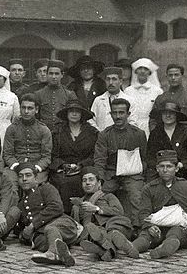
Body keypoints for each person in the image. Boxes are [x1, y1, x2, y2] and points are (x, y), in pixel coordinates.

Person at [132, 150, 187, 259]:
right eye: (162, 166)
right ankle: (132, 248)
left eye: (169, 166)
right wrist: (149, 226)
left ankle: (164, 249)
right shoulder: (149, 188)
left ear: (176, 168)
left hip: (180, 227)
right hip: (158, 227)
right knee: (146, 236)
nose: (165, 170)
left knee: (175, 234)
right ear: (157, 168)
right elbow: (144, 212)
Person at [93, 98, 147, 229]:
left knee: (137, 194)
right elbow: (100, 159)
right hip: (110, 174)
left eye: (121, 113)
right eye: (115, 113)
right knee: (100, 194)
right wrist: (99, 179)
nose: (118, 116)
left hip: (132, 174)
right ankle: (103, 226)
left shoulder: (138, 134)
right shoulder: (104, 135)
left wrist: (141, 174)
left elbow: (144, 158)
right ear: (110, 114)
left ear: (128, 114)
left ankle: (137, 227)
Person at [15, 163, 79, 267]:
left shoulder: (46, 189)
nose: (24, 179)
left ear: (36, 178)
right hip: (42, 233)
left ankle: (52, 253)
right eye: (20, 176)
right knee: (41, 242)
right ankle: (63, 255)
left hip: (62, 224)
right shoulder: (21, 203)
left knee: (50, 229)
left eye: (28, 175)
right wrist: (24, 235)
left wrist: (33, 225)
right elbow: (20, 226)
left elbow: (56, 207)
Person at [71, 168, 135, 261]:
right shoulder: (78, 204)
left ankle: (107, 248)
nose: (87, 183)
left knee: (111, 232)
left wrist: (97, 209)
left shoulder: (108, 196)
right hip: (90, 233)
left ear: (99, 183)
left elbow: (119, 211)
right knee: (93, 231)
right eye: (84, 181)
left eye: (91, 179)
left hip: (110, 226)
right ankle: (105, 248)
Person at [49, 100, 98, 213]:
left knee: (83, 180)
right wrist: (63, 165)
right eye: (71, 111)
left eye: (77, 111)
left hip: (84, 167)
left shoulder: (91, 132)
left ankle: (83, 214)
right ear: (66, 114)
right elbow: (53, 155)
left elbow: (94, 155)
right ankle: (65, 214)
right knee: (63, 183)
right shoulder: (58, 132)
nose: (74, 114)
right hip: (63, 169)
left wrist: (81, 165)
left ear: (82, 115)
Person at [2, 94, 52, 186]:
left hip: (36, 167)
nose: (26, 111)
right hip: (16, 167)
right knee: (9, 184)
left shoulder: (43, 130)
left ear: (36, 110)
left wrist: (36, 168)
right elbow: (8, 154)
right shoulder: (12, 129)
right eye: (23, 108)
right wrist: (17, 166)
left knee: (36, 185)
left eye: (30, 108)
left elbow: (46, 156)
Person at [146, 102, 187, 181]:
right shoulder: (156, 133)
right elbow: (150, 157)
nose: (168, 115)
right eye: (165, 113)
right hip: (161, 174)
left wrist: (182, 164)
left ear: (176, 115)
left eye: (171, 113)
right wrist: (161, 167)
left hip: (184, 173)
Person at [151, 64, 187, 131]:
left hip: (185, 137)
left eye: (176, 75)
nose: (173, 78)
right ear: (166, 77)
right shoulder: (160, 98)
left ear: (182, 76)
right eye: (170, 75)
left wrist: (183, 134)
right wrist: (158, 135)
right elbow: (153, 120)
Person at [33, 60, 78, 133]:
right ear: (47, 74)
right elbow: (35, 117)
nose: (53, 77)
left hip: (63, 134)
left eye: (56, 74)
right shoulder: (38, 94)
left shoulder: (69, 94)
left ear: (62, 75)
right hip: (44, 133)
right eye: (51, 73)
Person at [124, 58, 163, 137]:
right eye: (140, 68)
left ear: (149, 72)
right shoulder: (128, 91)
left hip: (150, 127)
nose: (142, 71)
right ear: (136, 71)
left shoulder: (157, 91)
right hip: (131, 126)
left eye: (145, 69)